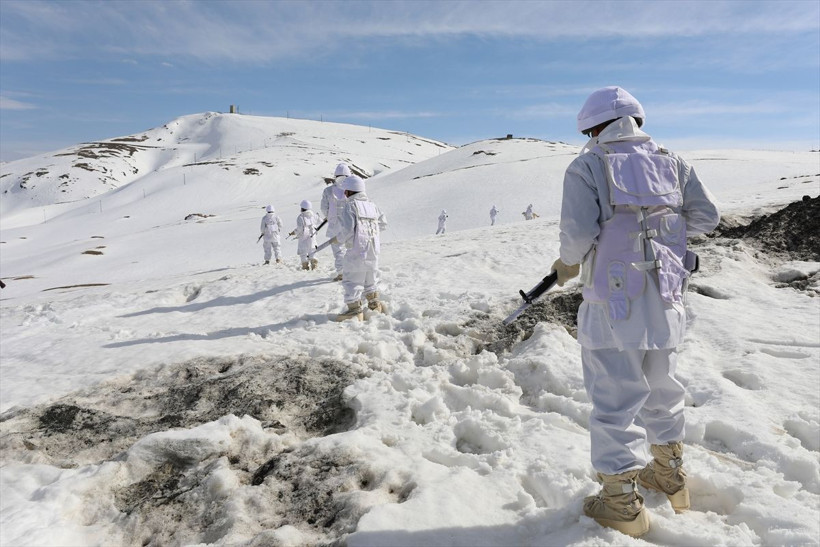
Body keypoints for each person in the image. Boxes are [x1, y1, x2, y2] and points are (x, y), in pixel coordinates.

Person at [551, 86, 720, 537]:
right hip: (666, 296)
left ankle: (621, 503)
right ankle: (669, 473)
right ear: (638, 122)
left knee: (614, 396)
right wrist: (662, 230)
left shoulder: (588, 165)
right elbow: (706, 218)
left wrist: (568, 263)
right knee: (663, 385)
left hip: (613, 302)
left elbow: (577, 234)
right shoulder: (674, 162)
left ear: (592, 126)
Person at [333, 175, 387, 321]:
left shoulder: (350, 206)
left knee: (352, 281)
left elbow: (347, 230)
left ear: (350, 191)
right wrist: (370, 232)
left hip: (357, 251)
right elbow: (383, 223)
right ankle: (374, 305)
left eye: (346, 191)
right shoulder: (372, 206)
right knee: (370, 279)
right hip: (373, 250)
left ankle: (354, 311)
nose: (344, 194)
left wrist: (339, 239)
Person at [321, 163, 350, 281]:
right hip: (350, 224)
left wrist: (329, 217)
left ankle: (341, 272)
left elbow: (324, 208)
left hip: (334, 225)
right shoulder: (352, 189)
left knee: (338, 251)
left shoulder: (328, 191)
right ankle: (352, 271)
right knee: (351, 248)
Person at [293, 200, 321, 270]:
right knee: (312, 250)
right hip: (312, 236)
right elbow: (320, 221)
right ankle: (314, 264)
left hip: (303, 237)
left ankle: (305, 266)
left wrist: (294, 232)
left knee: (303, 252)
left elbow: (300, 229)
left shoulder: (300, 217)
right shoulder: (314, 215)